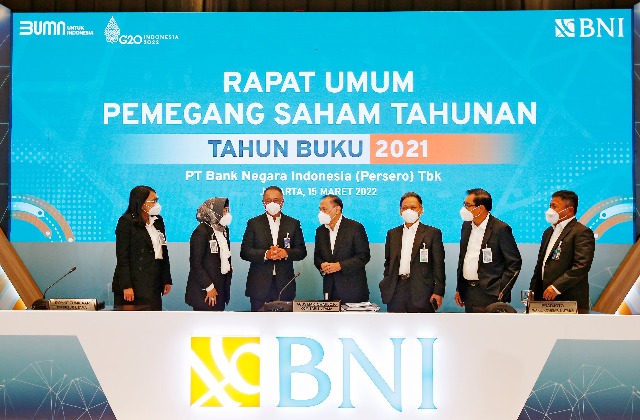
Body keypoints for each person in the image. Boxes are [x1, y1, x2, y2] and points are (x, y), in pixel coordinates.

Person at [240, 186, 307, 311]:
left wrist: (285, 253)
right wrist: (266, 254)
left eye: (275, 200)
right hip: (259, 285)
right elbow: (245, 252)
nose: (272, 203)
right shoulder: (253, 223)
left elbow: (301, 252)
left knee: (284, 322)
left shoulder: (293, 223)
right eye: (268, 200)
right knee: (259, 321)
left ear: (282, 202)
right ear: (263, 203)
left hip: (285, 284)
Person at [455, 188, 522, 313]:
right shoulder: (466, 226)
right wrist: (459, 288)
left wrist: (501, 290)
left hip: (491, 293)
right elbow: (463, 258)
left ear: (480, 208)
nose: (464, 209)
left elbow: (514, 262)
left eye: (468, 205)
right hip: (469, 292)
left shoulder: (500, 229)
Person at [529, 190, 595, 313]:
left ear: (569, 210)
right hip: (543, 299)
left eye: (554, 206)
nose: (550, 210)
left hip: (568, 299)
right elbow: (541, 265)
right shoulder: (548, 232)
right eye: (550, 206)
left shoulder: (581, 232)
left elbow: (581, 265)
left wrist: (556, 287)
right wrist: (533, 291)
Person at [380, 192, 445, 313]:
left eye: (413, 207)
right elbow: (388, 262)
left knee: (422, 325)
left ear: (421, 210)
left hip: (422, 292)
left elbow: (439, 266)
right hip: (396, 290)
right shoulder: (392, 233)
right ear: (400, 211)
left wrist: (438, 291)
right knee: (396, 324)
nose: (408, 210)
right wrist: (386, 281)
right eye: (405, 208)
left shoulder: (432, 233)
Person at [112, 185, 172, 310]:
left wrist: (166, 278)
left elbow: (163, 251)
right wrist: (126, 286)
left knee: (154, 316)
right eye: (153, 201)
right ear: (141, 202)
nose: (157, 204)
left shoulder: (158, 221)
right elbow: (122, 257)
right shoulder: (126, 222)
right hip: (134, 282)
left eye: (157, 200)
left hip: (154, 280)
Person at [314, 195, 370, 303]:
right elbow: (317, 256)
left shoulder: (355, 227)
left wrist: (340, 266)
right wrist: (322, 265)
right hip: (330, 288)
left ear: (337, 209)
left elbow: (363, 256)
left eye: (324, 209)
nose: (321, 213)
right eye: (320, 210)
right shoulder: (320, 231)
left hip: (353, 289)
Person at [185, 197, 233, 311]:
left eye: (227, 210)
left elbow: (220, 254)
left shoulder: (224, 230)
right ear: (213, 211)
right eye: (223, 211)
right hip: (205, 289)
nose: (226, 214)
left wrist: (227, 265)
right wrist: (209, 287)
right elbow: (196, 264)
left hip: (220, 285)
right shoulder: (201, 231)